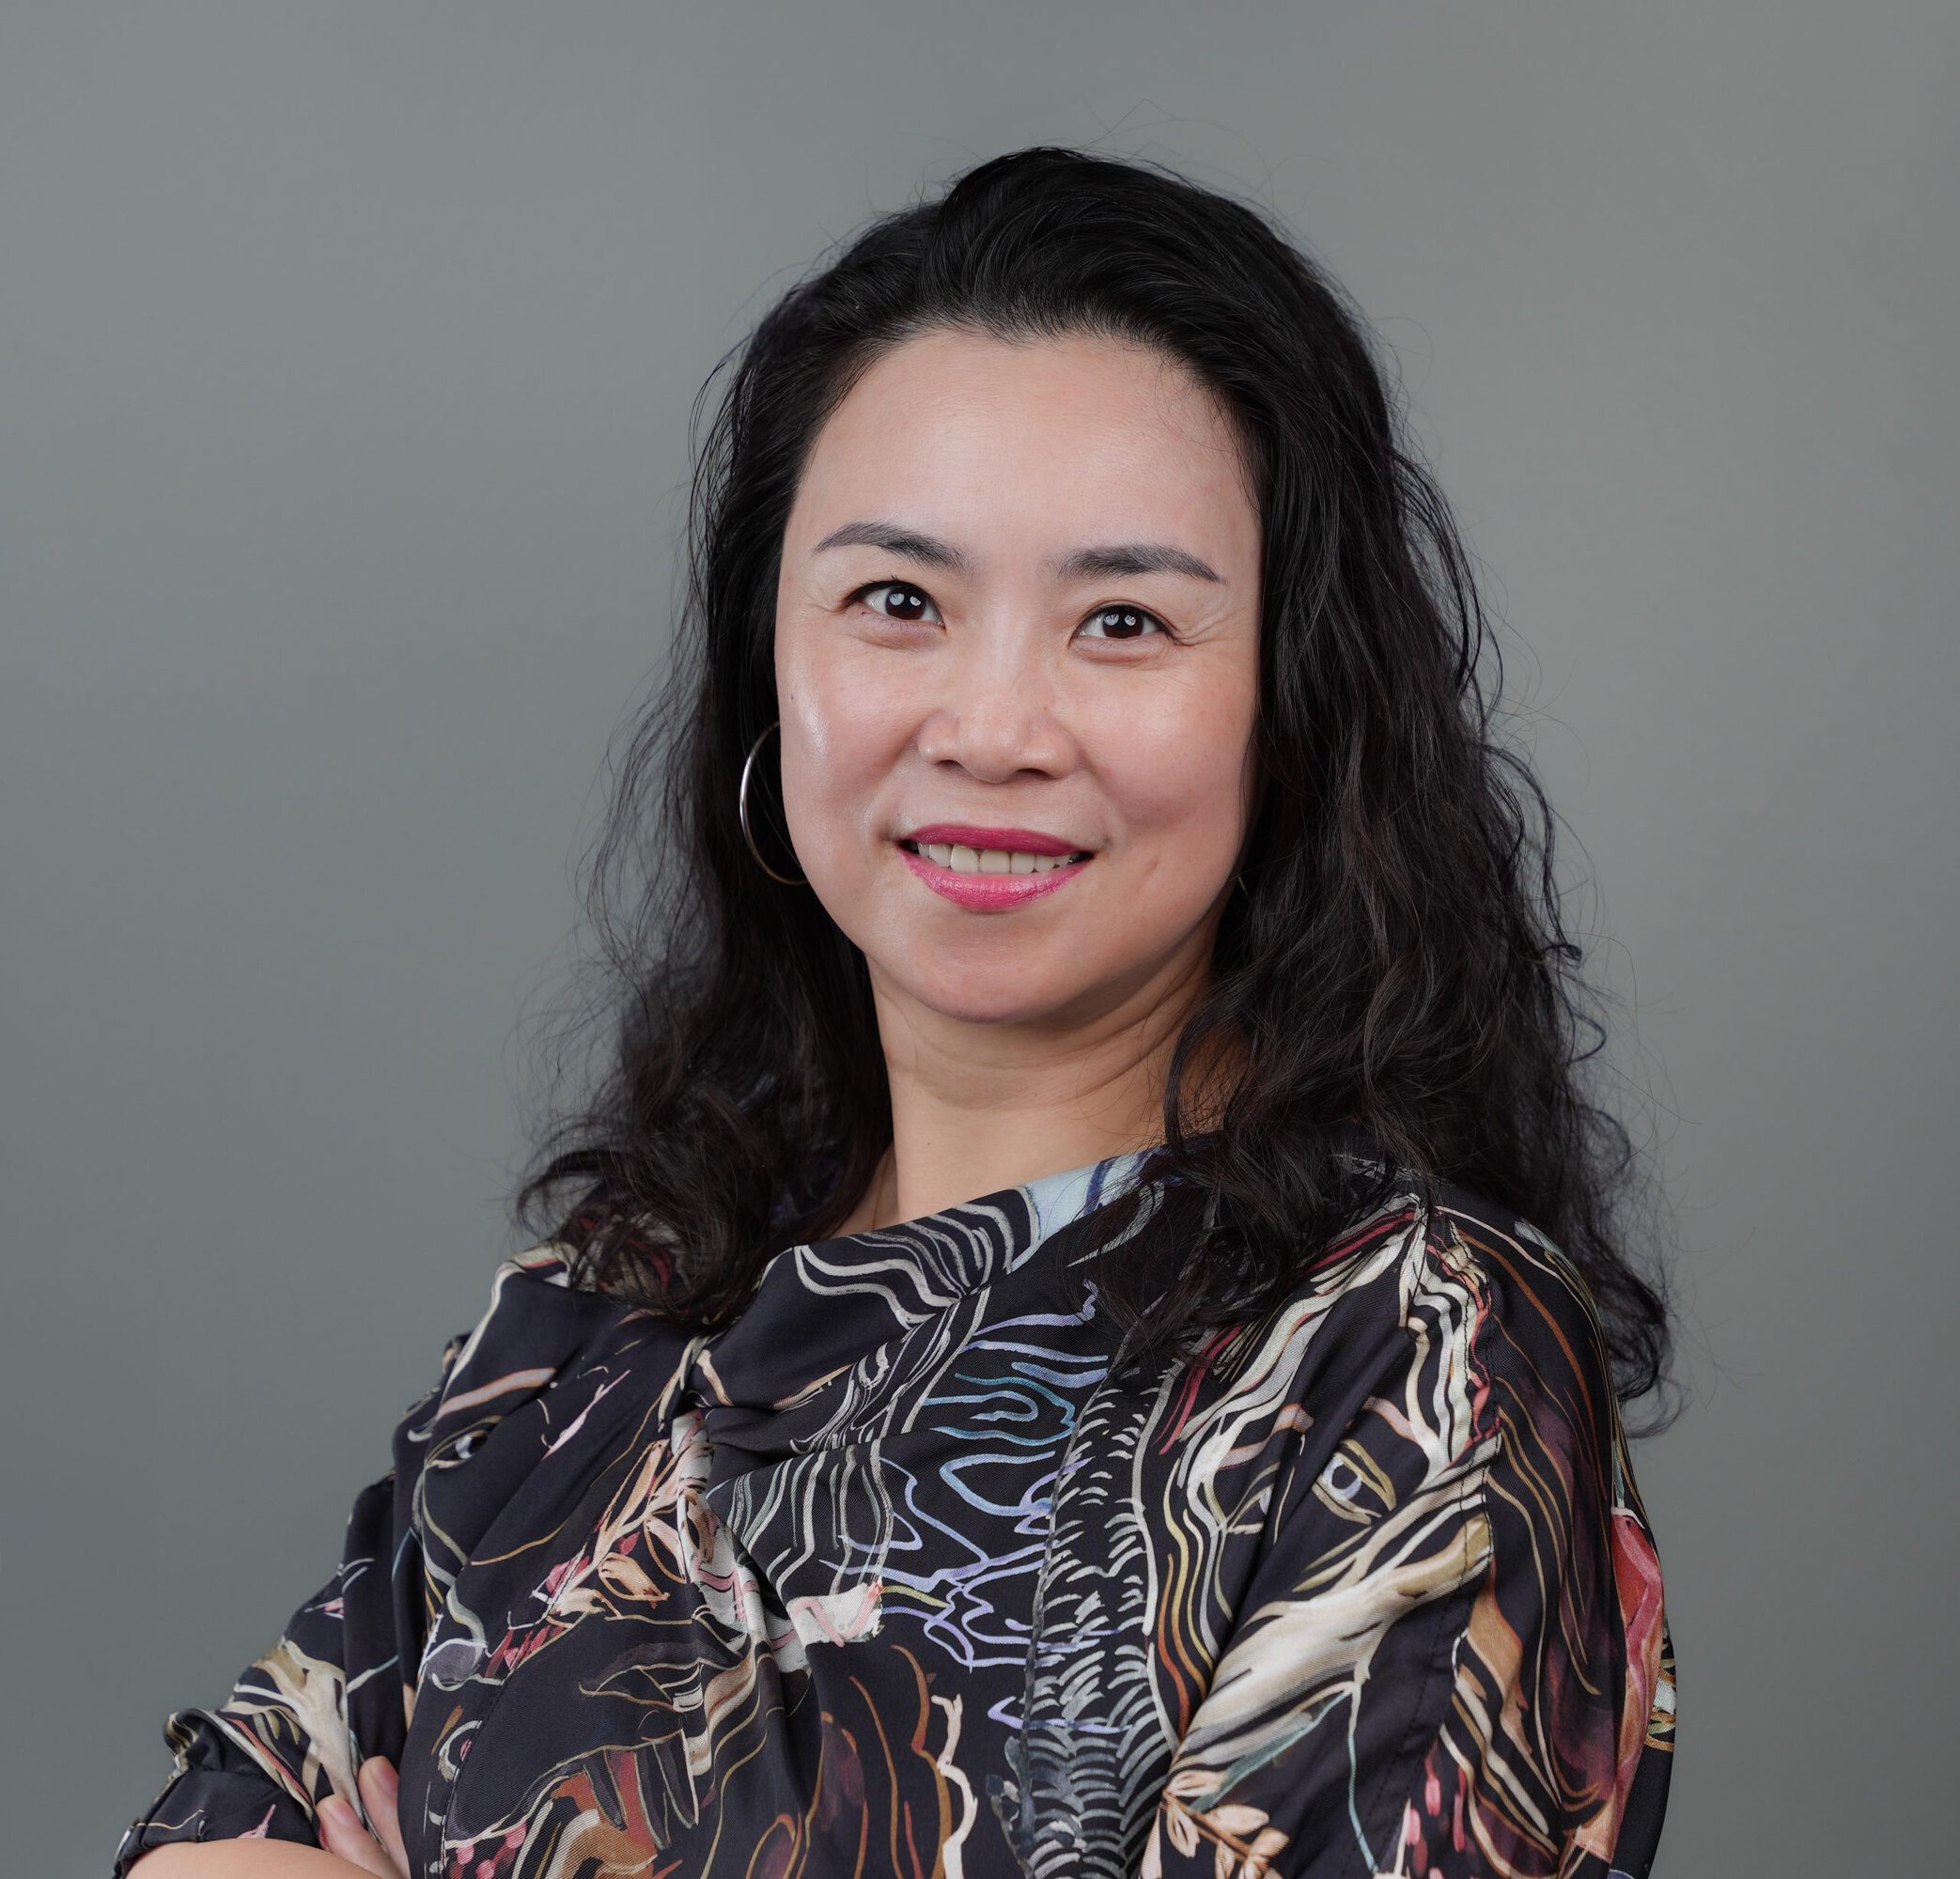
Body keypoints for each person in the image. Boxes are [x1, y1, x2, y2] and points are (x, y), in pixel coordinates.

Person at [117, 145, 1678, 1879]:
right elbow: (198, 1845)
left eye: (1123, 619)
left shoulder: (1400, 1355)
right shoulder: (596, 1321)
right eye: (898, 602)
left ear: (1290, 709)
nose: (994, 723)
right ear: (766, 672)